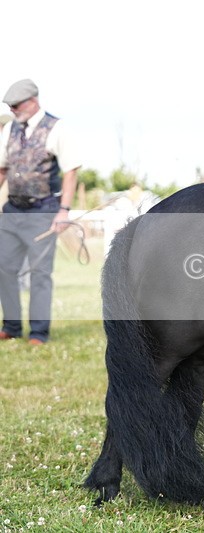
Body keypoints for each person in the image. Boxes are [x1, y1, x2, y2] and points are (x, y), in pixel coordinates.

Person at [0, 79, 81, 345]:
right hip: (12, 210)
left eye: (16, 105)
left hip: (43, 211)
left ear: (33, 101)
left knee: (39, 274)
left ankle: (38, 333)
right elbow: (2, 169)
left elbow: (71, 170)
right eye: (9, 106)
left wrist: (64, 211)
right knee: (4, 269)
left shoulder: (57, 129)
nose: (12, 109)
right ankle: (11, 326)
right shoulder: (9, 129)